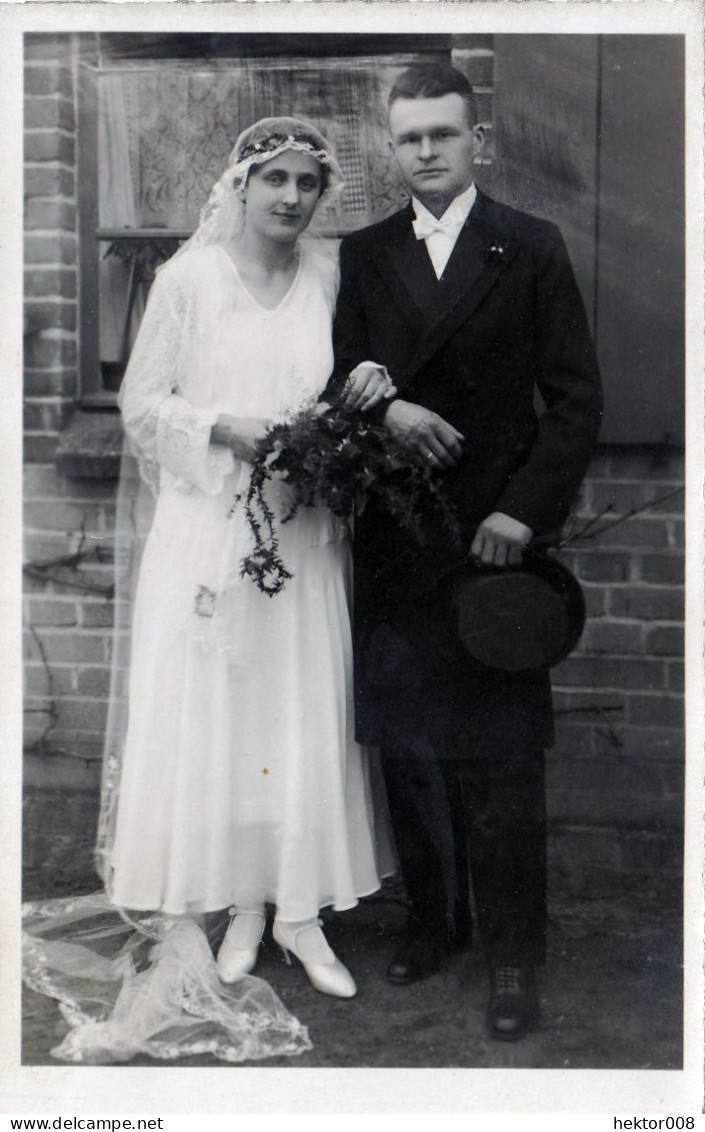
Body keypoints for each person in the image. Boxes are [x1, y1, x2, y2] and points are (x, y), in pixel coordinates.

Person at [22, 118, 393, 1064]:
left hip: (303, 534)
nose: (290, 199)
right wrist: (223, 429)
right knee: (223, 716)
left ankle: (301, 912)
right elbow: (145, 403)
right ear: (241, 183)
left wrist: (357, 402)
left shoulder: (329, 278)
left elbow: (352, 383)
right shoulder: (190, 282)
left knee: (297, 712)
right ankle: (239, 906)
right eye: (274, 179)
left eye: (308, 184)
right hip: (210, 530)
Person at [328, 64, 603, 1040]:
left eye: (444, 134)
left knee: (501, 758)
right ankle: (435, 922)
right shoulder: (362, 256)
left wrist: (525, 514)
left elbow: (575, 402)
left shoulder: (528, 247)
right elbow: (334, 383)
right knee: (410, 751)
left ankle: (513, 959)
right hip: (399, 543)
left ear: (475, 141)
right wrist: (384, 402)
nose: (428, 152)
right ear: (392, 147)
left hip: (494, 550)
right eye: (410, 139)